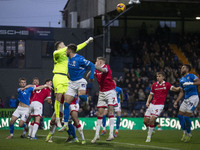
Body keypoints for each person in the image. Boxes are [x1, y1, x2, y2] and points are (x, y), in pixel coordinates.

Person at [53, 37, 93, 128]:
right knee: (58, 96)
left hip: (67, 78)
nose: (65, 45)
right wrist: (68, 48)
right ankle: (58, 118)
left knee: (66, 98)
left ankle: (64, 118)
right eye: (63, 44)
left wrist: (87, 41)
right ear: (59, 46)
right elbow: (62, 51)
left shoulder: (67, 55)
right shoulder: (56, 53)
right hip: (58, 76)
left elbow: (77, 48)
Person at [87, 57, 118, 143]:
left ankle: (111, 134)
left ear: (100, 62)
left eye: (96, 61)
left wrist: (94, 66)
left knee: (110, 111)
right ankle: (96, 135)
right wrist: (92, 68)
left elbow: (103, 70)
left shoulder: (106, 67)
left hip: (110, 91)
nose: (95, 62)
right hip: (101, 92)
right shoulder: (96, 70)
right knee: (100, 113)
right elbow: (88, 77)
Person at [143, 72, 180, 142]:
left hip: (159, 105)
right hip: (152, 104)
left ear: (163, 77)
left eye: (159, 76)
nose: (158, 77)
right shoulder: (154, 84)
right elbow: (151, 94)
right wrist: (147, 102)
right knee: (145, 122)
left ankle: (148, 137)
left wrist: (181, 88)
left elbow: (175, 89)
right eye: (157, 76)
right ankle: (152, 128)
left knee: (152, 120)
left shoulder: (167, 85)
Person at [173, 64, 200, 142]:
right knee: (179, 115)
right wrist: (176, 101)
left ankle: (189, 134)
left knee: (186, 117)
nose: (181, 69)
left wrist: (191, 83)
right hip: (186, 99)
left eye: (183, 67)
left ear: (187, 69)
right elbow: (181, 92)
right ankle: (184, 132)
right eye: (181, 68)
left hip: (193, 98)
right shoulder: (181, 79)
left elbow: (199, 82)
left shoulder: (191, 76)